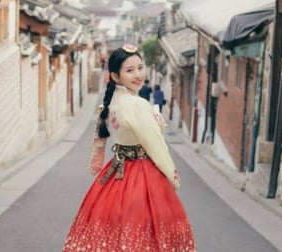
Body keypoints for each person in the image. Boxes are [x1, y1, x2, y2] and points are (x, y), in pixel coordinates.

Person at [63, 44, 195, 251]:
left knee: (115, 230)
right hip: (143, 173)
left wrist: (96, 165)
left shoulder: (111, 103)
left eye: (140, 68)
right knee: (148, 231)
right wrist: (172, 176)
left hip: (117, 171)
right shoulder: (137, 105)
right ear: (115, 76)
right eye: (130, 70)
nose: (138, 74)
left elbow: (99, 140)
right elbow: (156, 146)